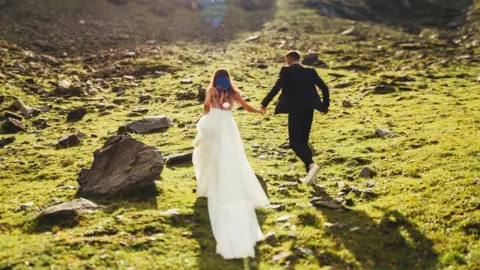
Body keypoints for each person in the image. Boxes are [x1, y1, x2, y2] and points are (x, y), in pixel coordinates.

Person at [192, 69, 270, 260]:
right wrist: (259, 111)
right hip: (228, 125)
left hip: (213, 123)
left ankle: (209, 182)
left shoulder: (211, 90)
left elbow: (205, 105)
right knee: (230, 154)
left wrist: (208, 115)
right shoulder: (233, 92)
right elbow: (246, 106)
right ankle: (225, 178)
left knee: (208, 154)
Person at [260, 50, 330, 185]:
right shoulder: (310, 72)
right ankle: (310, 177)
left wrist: (264, 103)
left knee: (294, 143)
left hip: (294, 110)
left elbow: (276, 88)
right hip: (308, 110)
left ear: (289, 59)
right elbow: (324, 88)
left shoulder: (286, 71)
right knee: (303, 141)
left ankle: (310, 165)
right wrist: (324, 106)